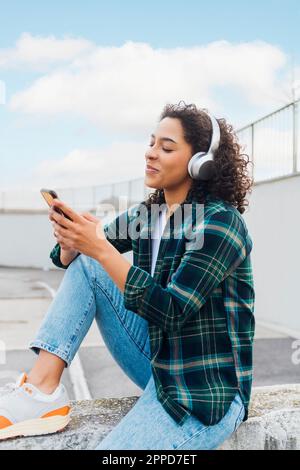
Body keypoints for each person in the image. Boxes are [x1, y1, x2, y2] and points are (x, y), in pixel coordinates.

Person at [0, 101, 255, 450]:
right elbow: (89, 255)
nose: (151, 153)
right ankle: (42, 391)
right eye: (151, 143)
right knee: (91, 261)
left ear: (200, 163)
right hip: (159, 362)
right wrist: (71, 243)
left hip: (204, 389)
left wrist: (100, 247)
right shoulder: (149, 214)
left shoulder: (220, 223)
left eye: (166, 147)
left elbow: (172, 310)